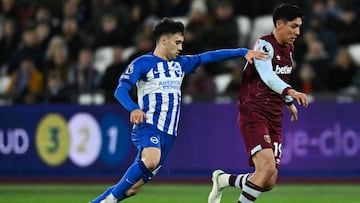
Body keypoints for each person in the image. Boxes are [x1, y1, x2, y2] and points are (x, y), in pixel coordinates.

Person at [89, 17, 268, 203]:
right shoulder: (143, 63)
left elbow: (209, 56)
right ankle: (108, 200)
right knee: (151, 160)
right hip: (148, 125)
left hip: (169, 134)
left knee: (131, 189)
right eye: (178, 42)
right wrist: (133, 108)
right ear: (164, 40)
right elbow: (121, 90)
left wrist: (242, 52)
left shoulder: (181, 64)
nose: (181, 47)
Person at [208, 4, 308, 203]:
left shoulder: (289, 47)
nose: (298, 32)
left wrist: (287, 101)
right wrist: (290, 92)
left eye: (299, 27)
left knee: (268, 181)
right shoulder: (263, 45)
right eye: (294, 26)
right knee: (266, 169)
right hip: (254, 111)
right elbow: (268, 76)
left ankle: (223, 180)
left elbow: (282, 77)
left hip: (274, 115)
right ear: (279, 24)